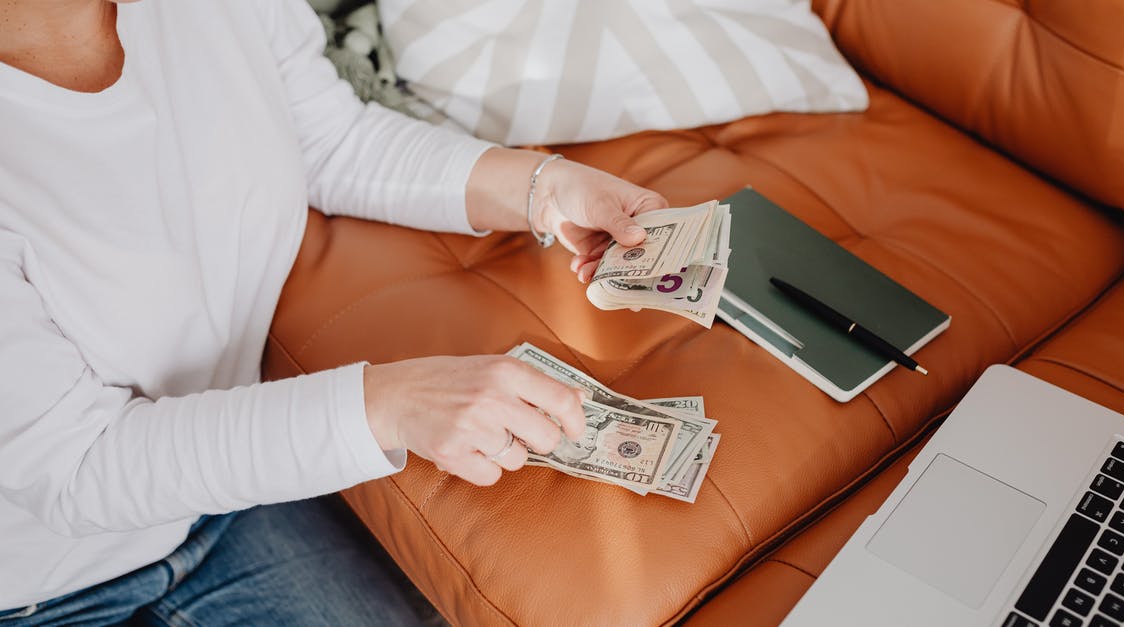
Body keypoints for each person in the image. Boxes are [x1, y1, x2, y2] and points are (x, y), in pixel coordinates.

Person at [0, 0, 669, 624]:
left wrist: (542, 188)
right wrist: (387, 403)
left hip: (231, 500)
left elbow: (330, 140)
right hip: (42, 585)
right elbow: (76, 465)